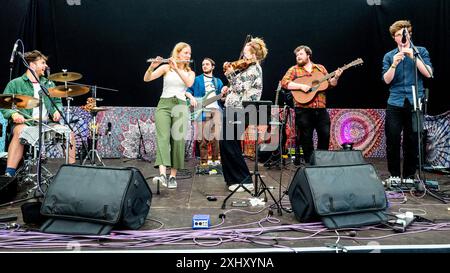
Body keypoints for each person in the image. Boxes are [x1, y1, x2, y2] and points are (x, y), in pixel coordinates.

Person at [1, 50, 76, 177]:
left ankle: (72, 170)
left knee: (69, 132)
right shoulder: (15, 83)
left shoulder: (49, 83)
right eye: (42, 63)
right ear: (32, 65)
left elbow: (57, 102)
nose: (45, 66)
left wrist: (57, 111)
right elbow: (4, 104)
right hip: (26, 123)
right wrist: (14, 114)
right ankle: (9, 173)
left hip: (46, 123)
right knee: (21, 132)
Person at [382, 20, 433, 179]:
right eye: (398, 35)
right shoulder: (389, 56)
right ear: (394, 38)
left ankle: (410, 176)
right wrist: (394, 64)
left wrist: (414, 57)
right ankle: (395, 176)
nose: (402, 37)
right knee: (393, 139)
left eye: (405, 33)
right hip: (395, 102)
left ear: (409, 35)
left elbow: (429, 73)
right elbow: (386, 80)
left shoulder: (420, 51)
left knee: (412, 140)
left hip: (415, 101)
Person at [144, 42, 196, 189]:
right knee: (162, 138)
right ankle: (162, 174)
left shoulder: (190, 72)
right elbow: (147, 79)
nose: (188, 56)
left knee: (177, 141)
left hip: (180, 106)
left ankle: (172, 176)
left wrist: (177, 69)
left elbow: (189, 83)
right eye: (186, 53)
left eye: (189, 54)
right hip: (164, 105)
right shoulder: (166, 67)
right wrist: (152, 66)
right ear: (178, 53)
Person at [220, 37, 268, 192]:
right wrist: (228, 90)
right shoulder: (246, 68)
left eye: (246, 53)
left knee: (230, 144)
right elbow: (237, 88)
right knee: (226, 143)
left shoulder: (254, 69)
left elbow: (241, 89)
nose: (243, 56)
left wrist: (230, 74)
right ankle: (233, 179)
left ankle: (244, 180)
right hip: (233, 108)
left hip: (241, 110)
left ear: (253, 54)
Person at [281, 45, 343, 165]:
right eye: (297, 55)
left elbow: (330, 85)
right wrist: (301, 86)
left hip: (320, 109)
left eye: (301, 54)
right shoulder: (294, 69)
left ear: (308, 55)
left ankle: (321, 161)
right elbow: (284, 83)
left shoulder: (320, 68)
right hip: (303, 109)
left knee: (325, 134)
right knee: (306, 138)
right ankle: (310, 164)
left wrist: (336, 78)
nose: (298, 57)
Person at [188, 57, 226, 166]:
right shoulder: (197, 79)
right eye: (203, 64)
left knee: (216, 138)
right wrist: (191, 98)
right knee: (202, 138)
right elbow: (188, 91)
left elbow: (222, 99)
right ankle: (204, 162)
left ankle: (215, 160)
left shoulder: (218, 81)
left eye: (207, 64)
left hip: (216, 110)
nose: (204, 66)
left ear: (212, 67)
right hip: (202, 110)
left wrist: (224, 95)